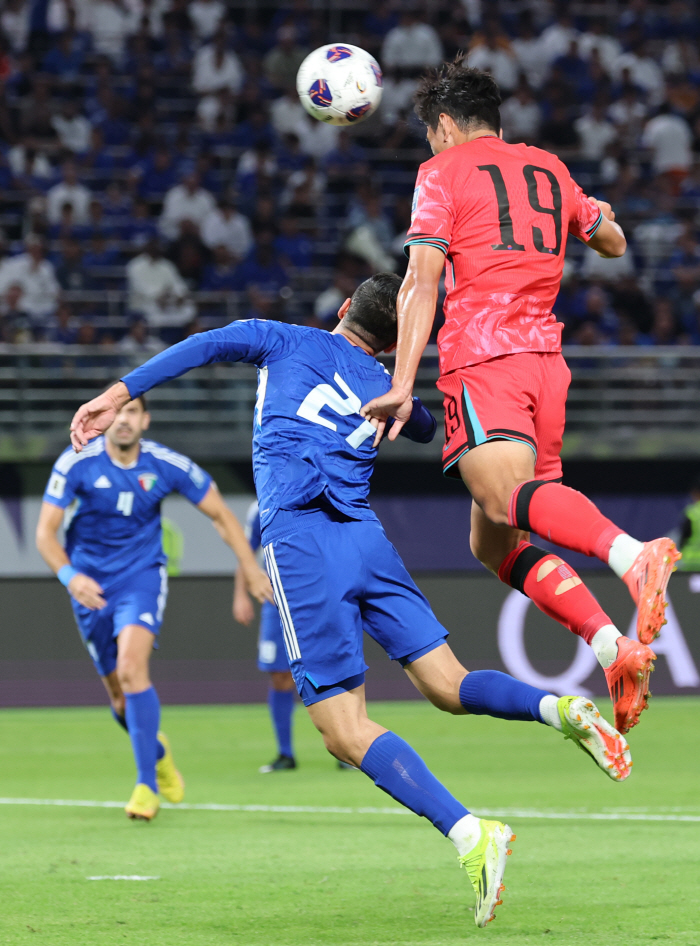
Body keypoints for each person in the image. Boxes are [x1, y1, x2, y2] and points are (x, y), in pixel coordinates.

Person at [70, 274, 632, 928]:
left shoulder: (280, 339)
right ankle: (557, 707)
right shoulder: (391, 390)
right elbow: (426, 425)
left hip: (302, 539)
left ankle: (470, 832)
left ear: (341, 310)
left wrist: (118, 393)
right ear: (395, 345)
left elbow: (202, 345)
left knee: (342, 730)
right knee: (448, 684)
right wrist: (411, 383)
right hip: (365, 537)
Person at [360, 59, 681, 736]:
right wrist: (602, 219)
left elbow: (421, 281)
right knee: (493, 538)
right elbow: (613, 241)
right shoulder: (549, 168)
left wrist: (401, 381)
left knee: (503, 498)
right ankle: (610, 647)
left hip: (486, 355)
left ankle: (633, 555)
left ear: (444, 125)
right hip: (546, 366)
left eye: (430, 134)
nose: (430, 147)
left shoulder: (441, 173)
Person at [36, 395, 273, 822]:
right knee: (118, 697)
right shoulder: (76, 464)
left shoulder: (168, 465)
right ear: (105, 420)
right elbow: (45, 535)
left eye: (132, 413)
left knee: (132, 670)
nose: (123, 421)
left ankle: (146, 785)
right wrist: (71, 577)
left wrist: (250, 568)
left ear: (145, 420)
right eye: (118, 413)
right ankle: (159, 754)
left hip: (141, 580)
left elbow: (221, 515)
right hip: (88, 586)